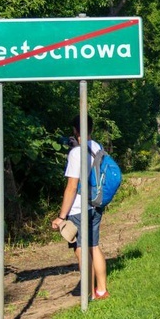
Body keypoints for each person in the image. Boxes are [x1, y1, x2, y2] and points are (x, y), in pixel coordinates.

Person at [51, 115, 108, 300]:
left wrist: (61, 216)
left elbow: (72, 187)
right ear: (91, 128)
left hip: (79, 208)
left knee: (82, 251)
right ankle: (101, 289)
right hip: (96, 204)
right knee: (94, 246)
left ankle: (89, 294)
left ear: (75, 130)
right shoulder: (97, 147)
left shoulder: (76, 153)